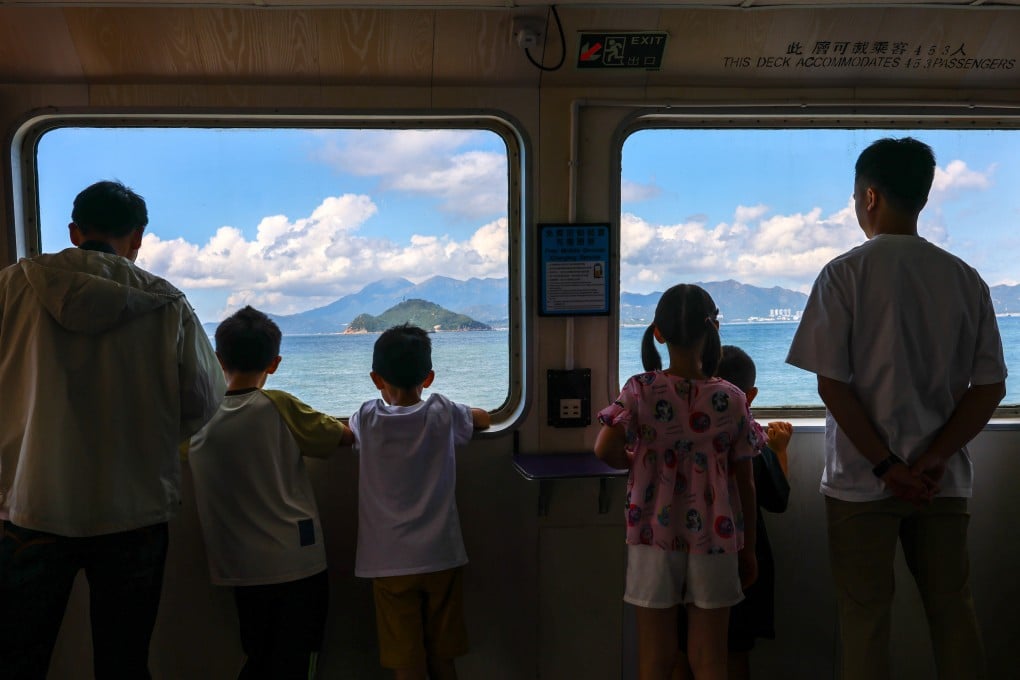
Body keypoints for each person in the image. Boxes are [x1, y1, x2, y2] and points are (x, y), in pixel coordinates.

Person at [786, 137, 1007, 680]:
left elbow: (832, 387)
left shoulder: (844, 274)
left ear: (869, 196)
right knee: (953, 612)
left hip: (861, 483)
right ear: (923, 199)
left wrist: (888, 467)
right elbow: (989, 388)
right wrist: (931, 460)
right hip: (942, 482)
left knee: (864, 619)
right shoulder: (966, 279)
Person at [0, 179, 225, 679]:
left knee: (18, 658)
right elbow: (205, 401)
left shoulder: (12, 287)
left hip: (30, 504)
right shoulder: (167, 305)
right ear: (138, 237)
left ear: (75, 231)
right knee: (124, 661)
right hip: (135, 511)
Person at [595, 284, 764, 680]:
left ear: (658, 332)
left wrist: (636, 460)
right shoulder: (733, 398)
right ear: (712, 330)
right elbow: (746, 482)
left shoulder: (640, 390)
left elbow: (604, 448)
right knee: (710, 660)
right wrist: (748, 547)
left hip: (653, 532)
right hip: (718, 537)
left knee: (655, 658)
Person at [187, 306, 354, 679]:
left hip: (238, 567)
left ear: (217, 360)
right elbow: (341, 436)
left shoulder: (201, 416)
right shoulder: (278, 405)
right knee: (299, 661)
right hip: (297, 562)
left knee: (259, 656)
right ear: (274, 363)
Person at [348, 323, 491, 680]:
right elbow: (484, 419)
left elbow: (347, 434)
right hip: (441, 555)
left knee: (406, 661)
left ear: (375, 378)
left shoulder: (366, 418)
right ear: (428, 378)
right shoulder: (442, 412)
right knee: (444, 656)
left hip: (387, 561)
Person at [673, 346, 793, 680]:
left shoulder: (683, 432)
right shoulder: (751, 437)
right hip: (742, 560)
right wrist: (780, 451)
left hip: (686, 554)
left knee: (682, 650)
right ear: (750, 395)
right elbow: (777, 498)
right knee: (734, 651)